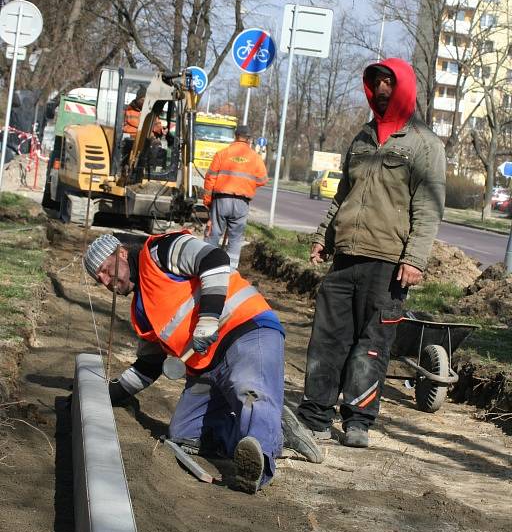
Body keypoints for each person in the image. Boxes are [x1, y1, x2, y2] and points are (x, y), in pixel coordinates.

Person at [83, 231, 323, 494]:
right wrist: (108, 393)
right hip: (207, 367)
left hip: (246, 328)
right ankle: (274, 428)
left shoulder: (160, 251)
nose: (107, 281)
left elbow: (215, 258)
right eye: (100, 279)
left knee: (248, 388)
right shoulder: (142, 310)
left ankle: (256, 466)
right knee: (184, 433)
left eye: (106, 270)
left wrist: (208, 318)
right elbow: (148, 366)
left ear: (121, 253)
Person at [296, 58, 446, 449]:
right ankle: (315, 417)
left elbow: (429, 209)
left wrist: (414, 259)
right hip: (345, 257)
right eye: (376, 83)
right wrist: (323, 237)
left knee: (372, 344)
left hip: (388, 264)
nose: (381, 90)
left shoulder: (424, 145)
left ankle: (359, 421)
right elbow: (343, 195)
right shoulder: (362, 138)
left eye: (388, 84)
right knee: (327, 340)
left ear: (404, 89)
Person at [203, 125, 268, 269]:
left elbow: (210, 179)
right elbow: (263, 179)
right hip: (241, 203)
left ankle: (206, 267)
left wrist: (208, 202)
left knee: (213, 234)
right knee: (235, 238)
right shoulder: (255, 158)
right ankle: (231, 272)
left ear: (235, 136)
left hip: (221, 200)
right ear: (249, 139)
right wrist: (247, 184)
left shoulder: (222, 153)